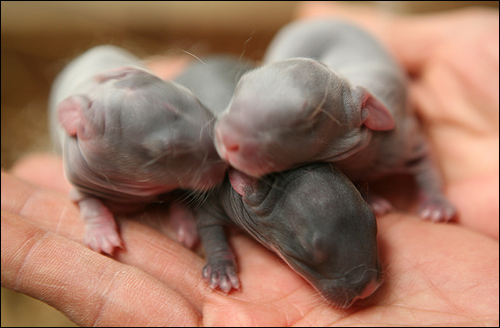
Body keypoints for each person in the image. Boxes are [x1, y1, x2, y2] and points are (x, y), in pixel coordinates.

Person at [2, 2, 498, 325]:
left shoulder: (347, 149)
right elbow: (208, 207)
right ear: (246, 188)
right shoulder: (233, 184)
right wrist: (216, 254)